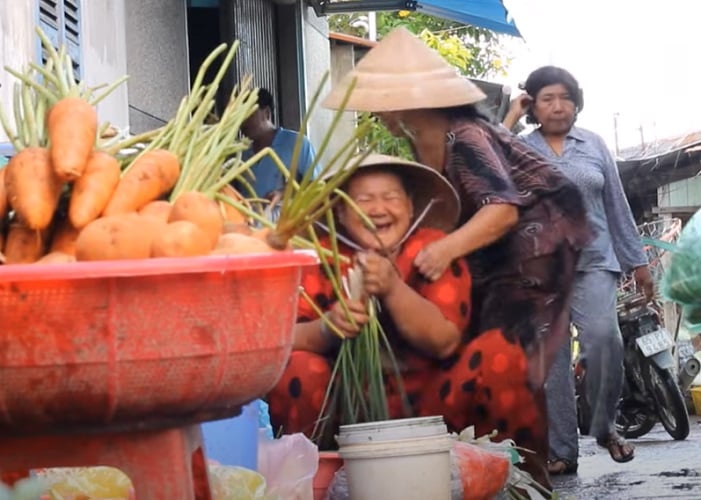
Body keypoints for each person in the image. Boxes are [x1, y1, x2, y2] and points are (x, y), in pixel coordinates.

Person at [322, 27, 592, 487]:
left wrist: (444, 249)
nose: (380, 112)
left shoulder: (463, 135)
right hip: (493, 257)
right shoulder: (424, 142)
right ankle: (488, 468)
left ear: (412, 101)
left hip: (536, 250)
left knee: (508, 360)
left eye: (385, 101)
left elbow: (502, 211)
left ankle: (528, 480)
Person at [268, 154, 550, 484]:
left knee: (501, 353)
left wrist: (392, 288)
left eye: (390, 197)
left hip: (433, 403)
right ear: (340, 213)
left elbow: (444, 341)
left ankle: (520, 481)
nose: (376, 209)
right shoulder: (322, 259)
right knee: (297, 368)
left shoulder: (431, 250)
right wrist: (327, 329)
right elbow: (279, 339)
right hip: (344, 410)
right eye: (362, 200)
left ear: (412, 207)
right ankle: (309, 482)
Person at [502, 66, 653, 473]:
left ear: (576, 102)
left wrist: (637, 262)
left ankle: (605, 427)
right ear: (534, 103)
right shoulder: (519, 147)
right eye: (547, 98)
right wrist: (511, 116)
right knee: (552, 366)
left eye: (565, 98)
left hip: (594, 263)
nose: (558, 106)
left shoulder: (594, 145)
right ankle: (562, 452)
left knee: (605, 341)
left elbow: (617, 206)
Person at [238, 87, 320, 200]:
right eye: (239, 117)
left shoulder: (297, 143)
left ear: (266, 113)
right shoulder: (242, 154)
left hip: (288, 217)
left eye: (248, 114)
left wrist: (283, 193)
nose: (242, 122)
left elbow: (317, 185)